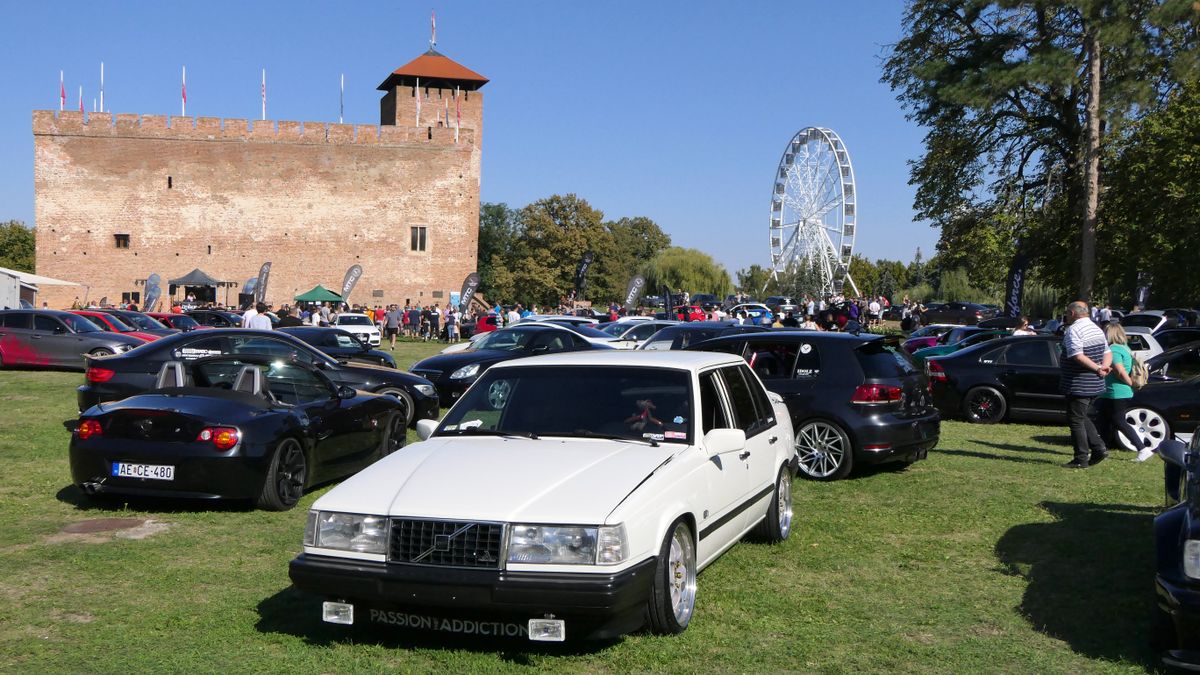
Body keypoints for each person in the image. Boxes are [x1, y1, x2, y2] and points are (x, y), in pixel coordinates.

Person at [1059, 301, 1111, 469]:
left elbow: (1077, 356)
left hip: (1079, 383)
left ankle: (1081, 458)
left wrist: (1098, 368)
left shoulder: (1073, 330)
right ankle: (1098, 448)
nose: (1066, 316)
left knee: (1075, 420)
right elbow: (1107, 352)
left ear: (1073, 313)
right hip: (1095, 383)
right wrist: (1104, 367)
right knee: (1081, 416)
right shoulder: (1096, 328)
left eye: (1067, 312)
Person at [1095, 323, 1153, 461]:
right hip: (1112, 392)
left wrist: (1131, 384)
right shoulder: (1125, 348)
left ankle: (1142, 449)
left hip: (1116, 392)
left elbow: (1120, 371)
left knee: (1118, 421)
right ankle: (1102, 451)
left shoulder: (1114, 350)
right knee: (1104, 421)